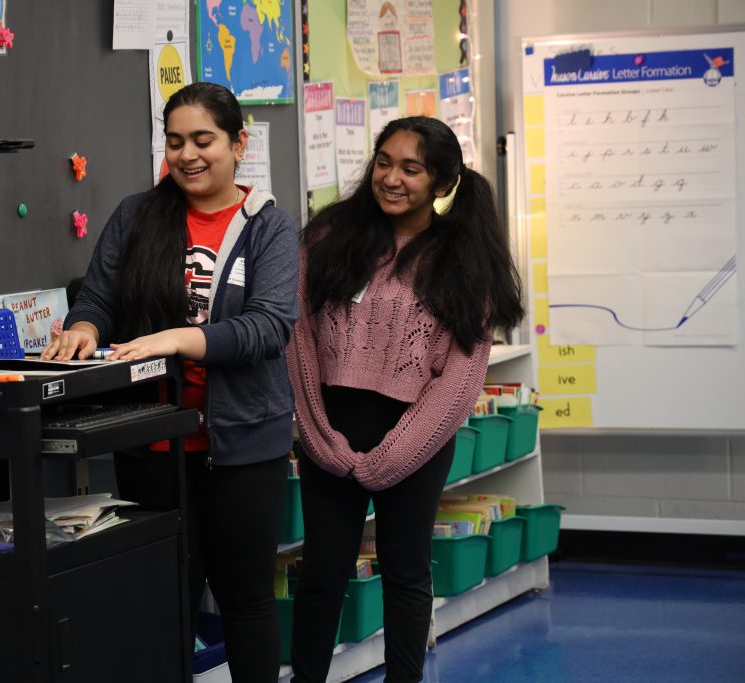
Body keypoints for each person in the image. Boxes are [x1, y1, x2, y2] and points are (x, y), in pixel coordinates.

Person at [42, 82, 300, 682]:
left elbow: (269, 327)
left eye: (203, 140)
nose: (189, 155)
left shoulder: (269, 227)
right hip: (153, 446)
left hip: (242, 449)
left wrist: (179, 339)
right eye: (176, 140)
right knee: (160, 603)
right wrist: (83, 326)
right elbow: (99, 297)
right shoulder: (136, 216)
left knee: (247, 601)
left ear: (238, 143)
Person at [287, 116, 524, 683]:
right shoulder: (327, 236)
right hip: (329, 429)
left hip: (416, 435)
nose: (391, 178)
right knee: (322, 572)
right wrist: (320, 437)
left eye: (411, 169)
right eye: (384, 162)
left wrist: (392, 456)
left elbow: (462, 376)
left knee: (406, 571)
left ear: (441, 183)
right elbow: (297, 336)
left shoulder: (463, 259)